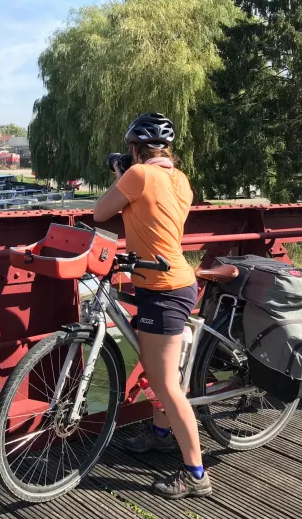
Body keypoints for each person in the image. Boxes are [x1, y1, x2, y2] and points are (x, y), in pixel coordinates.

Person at [92, 112, 211, 500]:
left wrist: (120, 173)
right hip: (169, 280)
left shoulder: (137, 176)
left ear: (134, 149)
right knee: (157, 367)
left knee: (165, 383)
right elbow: (149, 214)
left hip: (162, 287)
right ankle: (161, 434)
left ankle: (196, 474)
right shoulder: (181, 179)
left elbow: (100, 213)